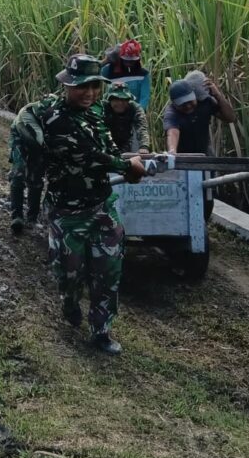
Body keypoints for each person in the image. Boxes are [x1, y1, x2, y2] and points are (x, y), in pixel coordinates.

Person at [16, 54, 151, 355]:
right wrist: (128, 167)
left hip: (102, 206)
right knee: (69, 274)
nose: (89, 93)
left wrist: (132, 155)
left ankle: (101, 330)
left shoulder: (96, 110)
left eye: (94, 86)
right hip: (68, 213)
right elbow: (90, 154)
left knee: (109, 270)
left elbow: (107, 142)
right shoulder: (56, 117)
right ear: (66, 86)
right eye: (81, 87)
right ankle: (69, 302)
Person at [163, 72, 236, 220]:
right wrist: (172, 151)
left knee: (207, 196)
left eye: (190, 101)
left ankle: (202, 225)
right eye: (183, 104)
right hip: (184, 159)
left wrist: (218, 95)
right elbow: (172, 133)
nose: (188, 106)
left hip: (204, 156)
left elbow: (230, 118)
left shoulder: (205, 103)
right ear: (175, 104)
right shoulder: (171, 113)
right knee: (183, 194)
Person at [7, 91, 58, 233]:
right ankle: (16, 216)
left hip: (40, 144)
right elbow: (37, 140)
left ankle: (32, 217)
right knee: (18, 174)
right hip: (21, 139)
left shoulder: (57, 115)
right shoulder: (26, 114)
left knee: (36, 180)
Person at [100, 39, 151, 109]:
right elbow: (93, 72)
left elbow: (144, 97)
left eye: (132, 61)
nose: (129, 64)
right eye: (126, 61)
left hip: (134, 112)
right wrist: (107, 60)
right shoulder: (109, 71)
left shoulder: (143, 75)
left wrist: (139, 112)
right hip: (113, 113)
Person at [105, 83, 150, 153]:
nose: (120, 103)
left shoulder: (135, 108)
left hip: (125, 143)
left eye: (124, 99)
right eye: (116, 99)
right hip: (104, 142)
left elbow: (142, 127)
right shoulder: (102, 107)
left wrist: (144, 146)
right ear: (109, 99)